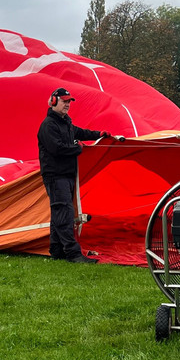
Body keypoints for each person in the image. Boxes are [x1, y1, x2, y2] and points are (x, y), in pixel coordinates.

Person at [36, 87, 110, 264]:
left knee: (59, 213)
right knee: (65, 213)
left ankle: (57, 251)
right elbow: (57, 148)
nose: (67, 104)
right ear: (53, 101)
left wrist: (98, 135)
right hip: (56, 176)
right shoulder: (48, 125)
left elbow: (80, 132)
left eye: (69, 101)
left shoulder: (65, 122)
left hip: (66, 175)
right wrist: (78, 148)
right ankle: (73, 254)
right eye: (64, 101)